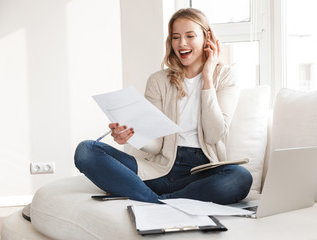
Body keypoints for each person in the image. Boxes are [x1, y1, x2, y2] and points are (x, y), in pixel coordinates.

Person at [74, 8, 252, 205]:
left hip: (200, 174)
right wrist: (132, 136)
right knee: (86, 150)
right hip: (158, 170)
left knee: (241, 177)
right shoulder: (159, 80)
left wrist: (208, 78)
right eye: (176, 37)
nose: (181, 43)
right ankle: (161, 201)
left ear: (206, 37)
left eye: (190, 36)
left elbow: (213, 134)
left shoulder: (225, 76)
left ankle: (152, 200)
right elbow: (156, 145)